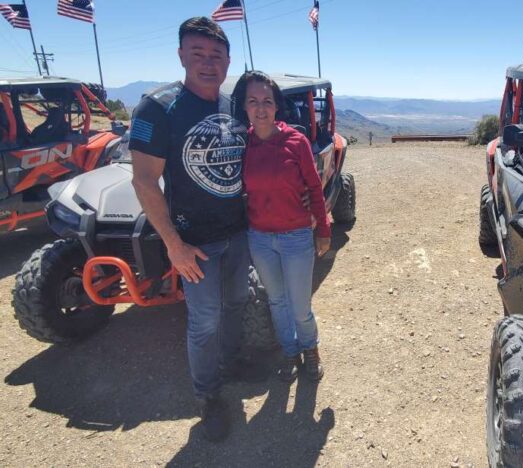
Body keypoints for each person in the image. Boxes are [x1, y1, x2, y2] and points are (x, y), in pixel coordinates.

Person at [129, 17, 247, 442]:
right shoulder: (158, 108)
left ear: (228, 61)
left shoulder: (232, 105)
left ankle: (232, 363)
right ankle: (209, 396)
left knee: (236, 303)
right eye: (197, 54)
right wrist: (173, 246)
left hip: (238, 233)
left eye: (216, 56)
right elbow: (144, 181)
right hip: (194, 243)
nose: (208, 63)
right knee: (204, 322)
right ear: (181, 56)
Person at [232, 71, 331, 383]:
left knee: (300, 305)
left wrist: (324, 228)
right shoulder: (241, 145)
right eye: (253, 102)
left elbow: (314, 188)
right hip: (260, 238)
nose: (260, 108)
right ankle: (290, 351)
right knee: (276, 301)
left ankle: (310, 349)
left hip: (296, 237)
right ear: (245, 107)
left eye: (267, 101)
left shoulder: (296, 142)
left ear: (277, 107)